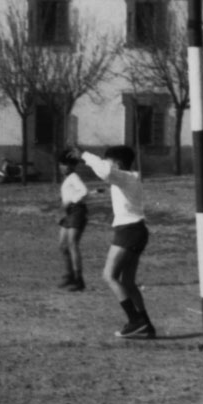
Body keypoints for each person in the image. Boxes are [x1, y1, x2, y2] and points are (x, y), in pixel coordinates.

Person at [73, 145, 155, 339]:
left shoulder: (123, 176)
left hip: (128, 231)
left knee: (109, 276)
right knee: (128, 282)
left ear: (117, 164)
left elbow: (105, 171)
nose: (105, 164)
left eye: (107, 160)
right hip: (138, 230)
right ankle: (146, 324)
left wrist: (83, 155)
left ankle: (135, 320)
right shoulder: (129, 178)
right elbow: (109, 179)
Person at [57, 150, 88, 292]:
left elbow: (84, 191)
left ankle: (78, 279)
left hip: (77, 211)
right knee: (62, 245)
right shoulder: (68, 178)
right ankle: (69, 274)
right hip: (68, 213)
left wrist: (70, 201)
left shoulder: (74, 176)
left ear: (71, 166)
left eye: (64, 165)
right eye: (61, 164)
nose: (61, 167)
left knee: (72, 244)